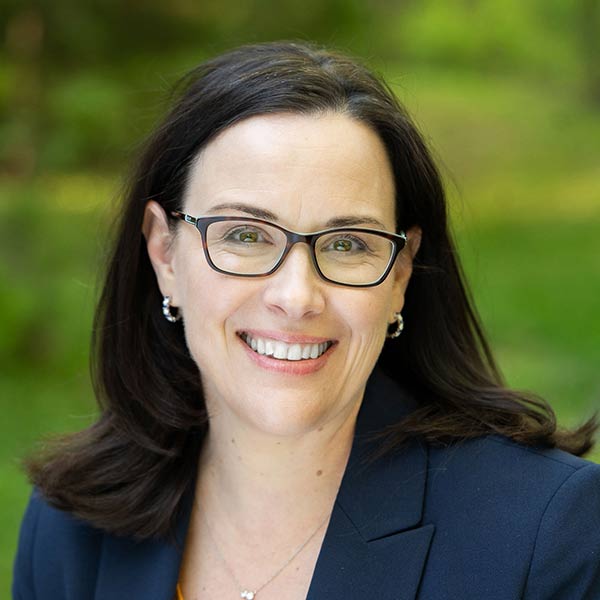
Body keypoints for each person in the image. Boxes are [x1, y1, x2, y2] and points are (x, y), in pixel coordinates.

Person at [12, 41, 600, 600]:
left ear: (400, 275)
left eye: (348, 244)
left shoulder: (546, 537)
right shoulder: (72, 527)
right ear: (164, 252)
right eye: (244, 235)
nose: (297, 296)